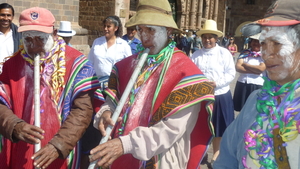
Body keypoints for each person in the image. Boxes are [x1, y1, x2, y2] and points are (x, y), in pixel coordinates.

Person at [89, 0, 215, 168]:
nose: (144, 36)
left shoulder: (186, 73)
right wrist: (106, 112)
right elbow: (113, 101)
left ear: (168, 31)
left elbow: (171, 130)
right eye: (141, 29)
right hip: (121, 157)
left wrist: (125, 144)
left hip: (161, 158)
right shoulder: (127, 66)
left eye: (151, 30)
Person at [0, 7, 100, 169]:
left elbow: (83, 110)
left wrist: (58, 145)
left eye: (40, 39)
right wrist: (14, 125)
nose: (33, 46)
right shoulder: (12, 65)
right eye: (28, 39)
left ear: (54, 33)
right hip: (22, 149)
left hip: (60, 151)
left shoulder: (77, 64)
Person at [214, 0, 300, 168]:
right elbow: (226, 160)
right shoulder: (255, 101)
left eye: (277, 43)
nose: (266, 54)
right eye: (263, 43)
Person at [191, 19, 236, 164]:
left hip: (220, 95)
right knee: (203, 125)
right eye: (204, 37)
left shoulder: (224, 53)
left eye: (210, 37)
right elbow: (191, 74)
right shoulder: (196, 55)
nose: (207, 40)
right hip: (202, 97)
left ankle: (216, 154)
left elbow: (231, 73)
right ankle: (202, 152)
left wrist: (217, 83)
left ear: (216, 38)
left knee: (219, 127)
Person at [88, 15, 132, 90]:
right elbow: (90, 62)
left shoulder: (123, 45)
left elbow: (129, 66)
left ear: (116, 28)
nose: (105, 29)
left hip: (114, 85)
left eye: (108, 26)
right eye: (104, 26)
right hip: (96, 84)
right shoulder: (97, 42)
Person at [233, 33, 266, 112]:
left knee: (255, 110)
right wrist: (255, 70)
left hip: (258, 85)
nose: (256, 43)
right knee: (242, 109)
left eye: (258, 41)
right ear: (250, 42)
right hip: (243, 83)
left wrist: (245, 64)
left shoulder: (265, 55)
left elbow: (261, 69)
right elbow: (238, 67)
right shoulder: (244, 53)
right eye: (254, 41)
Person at [0, 3, 21, 72]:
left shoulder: (19, 35)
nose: (6, 18)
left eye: (8, 15)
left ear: (12, 17)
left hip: (12, 75)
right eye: (2, 15)